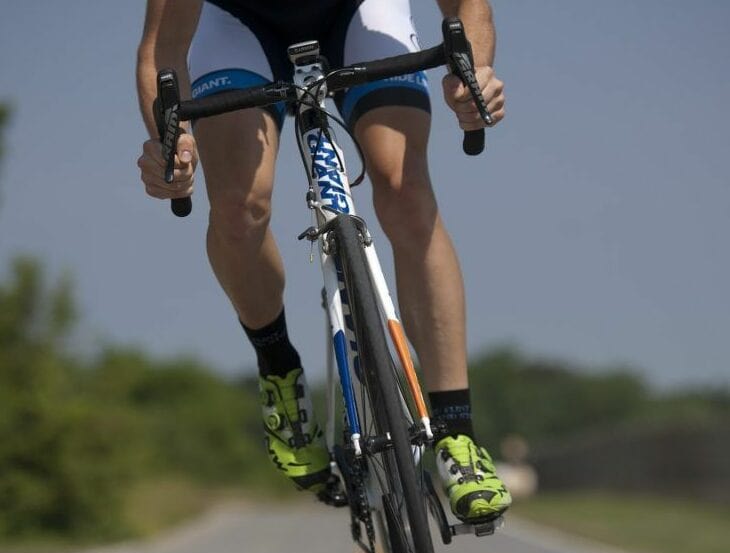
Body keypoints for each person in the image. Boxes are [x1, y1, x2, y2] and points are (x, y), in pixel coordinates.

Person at [137, 0, 512, 523]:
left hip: (361, 10)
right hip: (238, 23)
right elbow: (163, 49)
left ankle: (457, 435)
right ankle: (279, 372)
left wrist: (474, 72)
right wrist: (168, 145)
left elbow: (467, 6)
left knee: (405, 191)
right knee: (240, 208)